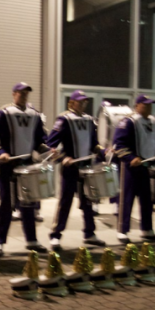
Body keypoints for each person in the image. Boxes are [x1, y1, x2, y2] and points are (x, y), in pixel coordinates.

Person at [0, 81, 50, 257]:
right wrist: (0, 154)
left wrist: (48, 151)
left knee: (29, 204)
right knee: (6, 204)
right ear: (14, 94)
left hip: (27, 165)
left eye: (27, 93)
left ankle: (31, 240)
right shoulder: (4, 113)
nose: (24, 95)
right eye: (21, 92)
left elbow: (40, 140)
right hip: (8, 166)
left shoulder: (34, 115)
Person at [45, 90, 106, 251]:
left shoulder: (89, 120)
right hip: (70, 168)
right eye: (80, 101)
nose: (83, 104)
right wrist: (62, 158)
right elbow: (50, 145)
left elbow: (94, 143)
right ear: (71, 103)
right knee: (66, 202)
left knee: (88, 202)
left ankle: (89, 233)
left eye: (85, 102)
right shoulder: (63, 119)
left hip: (86, 167)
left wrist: (102, 151)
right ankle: (56, 235)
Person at [112, 94, 155, 244]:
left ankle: (147, 229)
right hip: (131, 168)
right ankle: (122, 230)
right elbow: (118, 145)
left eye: (150, 105)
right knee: (126, 200)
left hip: (148, 167)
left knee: (147, 201)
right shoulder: (128, 122)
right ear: (137, 106)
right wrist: (131, 158)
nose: (148, 107)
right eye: (145, 104)